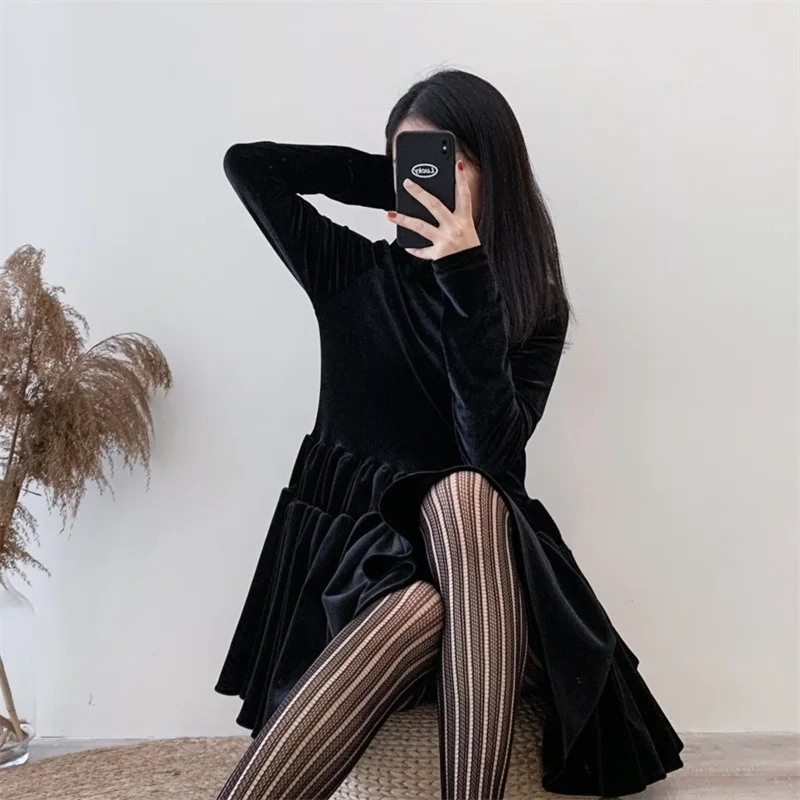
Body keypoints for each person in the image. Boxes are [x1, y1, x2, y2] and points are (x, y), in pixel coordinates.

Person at [214, 69, 684, 800]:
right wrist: (399, 181)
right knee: (418, 606)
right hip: (362, 574)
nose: (431, 178)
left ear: (494, 172)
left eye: (451, 162)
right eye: (412, 159)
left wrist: (465, 271)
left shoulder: (531, 307)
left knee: (465, 493)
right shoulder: (348, 271)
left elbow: (492, 460)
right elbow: (249, 166)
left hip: (485, 568)